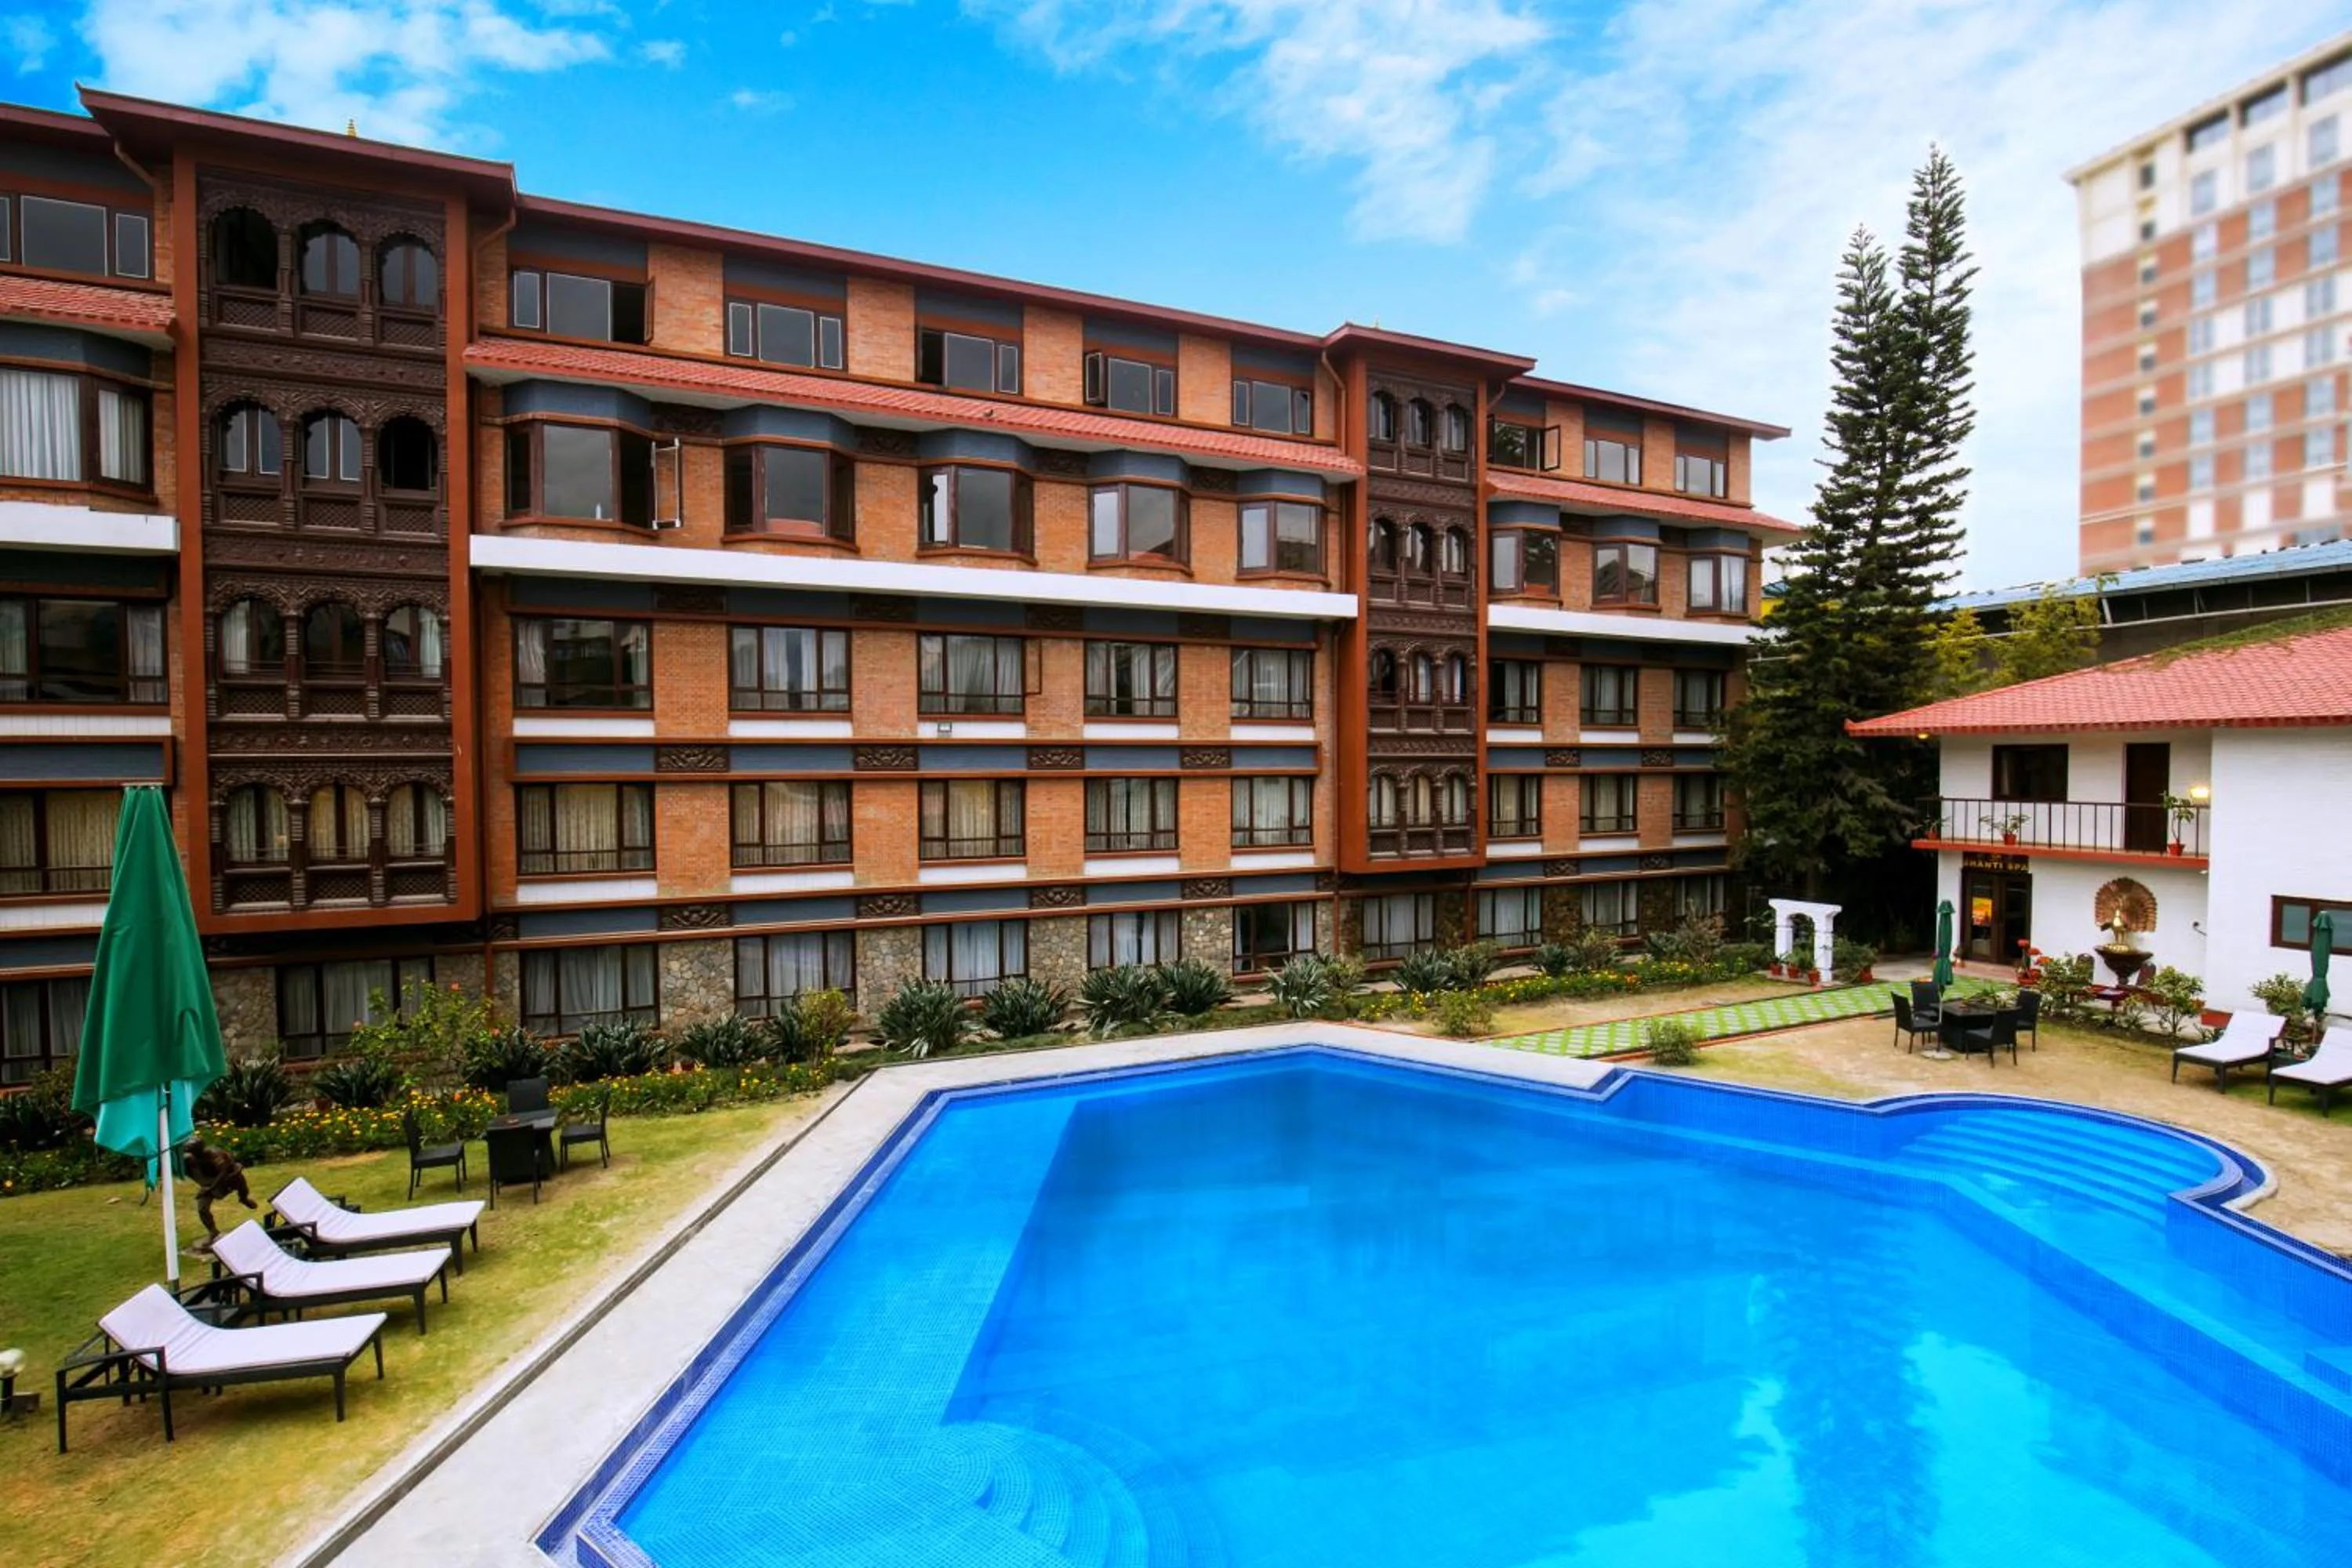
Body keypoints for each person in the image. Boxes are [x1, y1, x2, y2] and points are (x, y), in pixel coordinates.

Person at [179, 1134, 257, 1251]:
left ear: (200, 1149)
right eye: (189, 1151)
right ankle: (213, 1232)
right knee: (202, 1209)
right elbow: (190, 1172)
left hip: (229, 1178)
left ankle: (244, 1198)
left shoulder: (214, 1154)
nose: (191, 1153)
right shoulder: (190, 1160)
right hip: (210, 1183)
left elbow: (224, 1172)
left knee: (239, 1180)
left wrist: (210, 1188)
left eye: (193, 1151)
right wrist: (205, 1186)